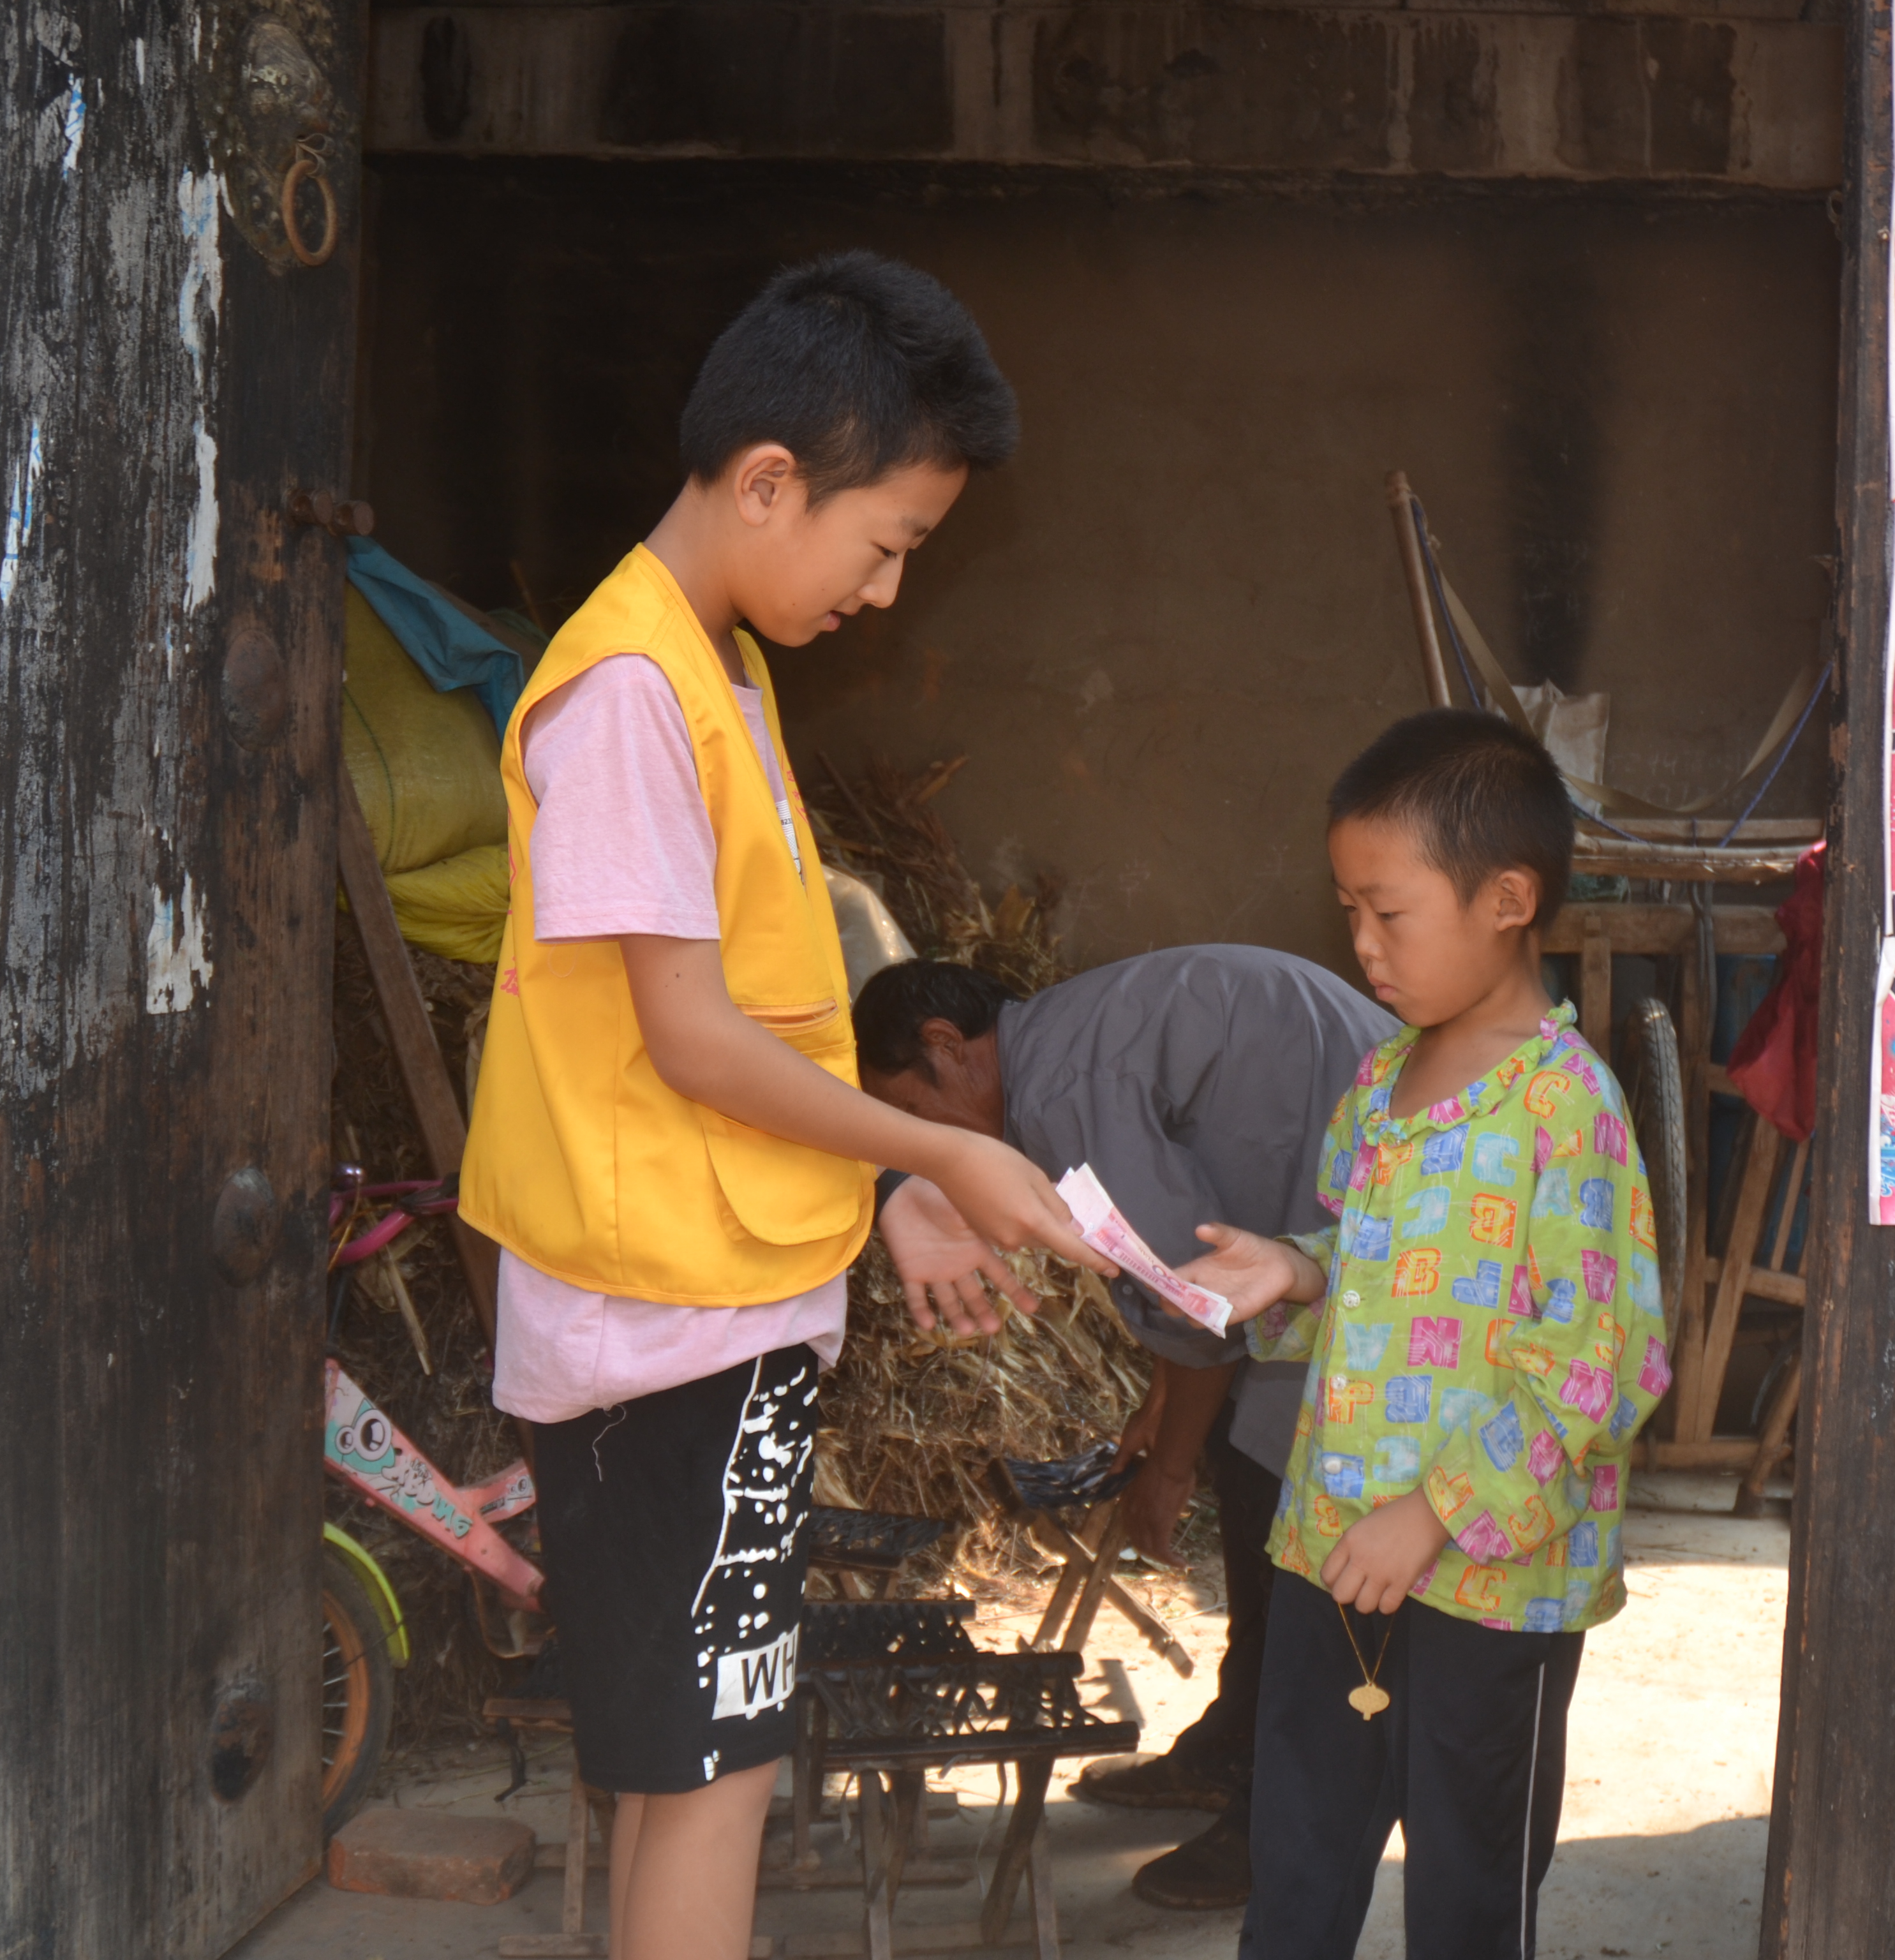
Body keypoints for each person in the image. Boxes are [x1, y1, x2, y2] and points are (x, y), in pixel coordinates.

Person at [457, 253, 1113, 1960]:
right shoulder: (626, 696)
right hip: (652, 1334)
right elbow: (686, 1038)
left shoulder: (720, 668)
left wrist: (879, 1197)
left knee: (722, 1760)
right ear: (769, 482)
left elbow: (766, 1020)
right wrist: (945, 1145)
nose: (890, 592)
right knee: (705, 1769)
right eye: (886, 543)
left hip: (716, 1309)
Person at [1177, 710, 1670, 1960]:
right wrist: (1294, 1269)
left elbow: (1599, 1366)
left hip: (1490, 1585)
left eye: (1387, 914)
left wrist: (1435, 1513)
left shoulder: (1570, 1113)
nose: (1361, 944)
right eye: (1348, 911)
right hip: (1332, 1544)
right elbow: (1394, 1278)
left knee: (1467, 1895)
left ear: (1507, 899)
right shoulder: (1378, 1081)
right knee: (1297, 1866)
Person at [853, 947, 1396, 1910]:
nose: (920, 1147)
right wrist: (1168, 1400)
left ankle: (1279, 1831)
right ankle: (1233, 1745)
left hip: (1361, 1232)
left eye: (911, 1114)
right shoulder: (1062, 1033)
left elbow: (1191, 1300)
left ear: (950, 1048)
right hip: (1317, 1197)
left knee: (1288, 1515)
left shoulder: (1063, 1092)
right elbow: (1191, 1257)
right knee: (1252, 1464)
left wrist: (1169, 1466)